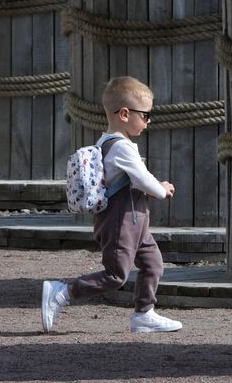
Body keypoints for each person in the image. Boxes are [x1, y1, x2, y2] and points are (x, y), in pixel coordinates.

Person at [40, 76, 182, 334]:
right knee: (116, 274)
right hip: (121, 221)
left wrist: (152, 185)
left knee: (153, 263)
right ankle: (63, 292)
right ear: (125, 113)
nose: (148, 122)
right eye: (146, 115)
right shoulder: (121, 148)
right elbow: (143, 179)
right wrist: (161, 189)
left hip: (134, 220)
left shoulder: (108, 143)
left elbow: (133, 180)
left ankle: (144, 314)